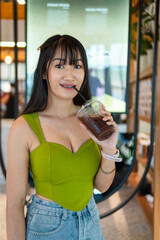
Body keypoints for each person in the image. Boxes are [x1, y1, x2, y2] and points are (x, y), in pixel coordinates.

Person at [6, 34, 119, 240]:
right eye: (59, 66)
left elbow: (101, 186)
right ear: (43, 73)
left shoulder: (92, 118)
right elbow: (14, 205)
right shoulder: (24, 126)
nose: (70, 75)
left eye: (77, 66)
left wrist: (109, 148)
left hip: (91, 221)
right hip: (46, 227)